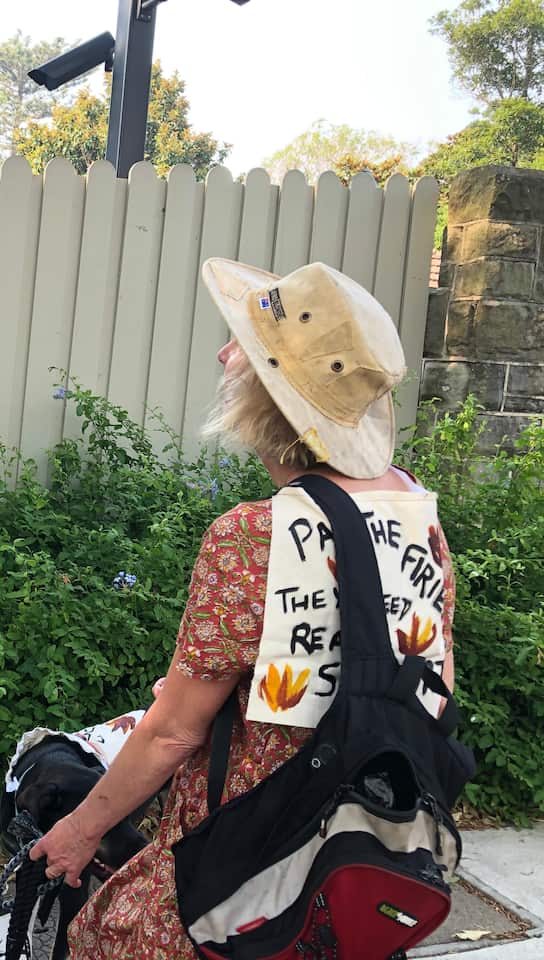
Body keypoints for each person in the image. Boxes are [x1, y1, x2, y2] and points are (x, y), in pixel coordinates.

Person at [29, 259, 457, 960]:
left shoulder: (256, 533)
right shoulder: (416, 517)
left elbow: (172, 734)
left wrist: (77, 833)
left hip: (248, 859)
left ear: (271, 391)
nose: (225, 353)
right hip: (363, 849)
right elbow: (421, 684)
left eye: (245, 349)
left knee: (103, 937)